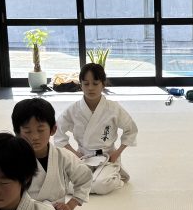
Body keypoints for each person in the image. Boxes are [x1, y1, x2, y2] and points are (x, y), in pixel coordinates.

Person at [54, 63, 138, 195]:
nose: (90, 88)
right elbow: (58, 133)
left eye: (95, 83)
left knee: (100, 185)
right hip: (83, 156)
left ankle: (115, 177)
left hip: (107, 157)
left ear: (103, 84)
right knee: (66, 184)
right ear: (80, 85)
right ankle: (95, 179)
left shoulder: (113, 108)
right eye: (86, 84)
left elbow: (131, 129)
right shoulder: (74, 110)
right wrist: (75, 154)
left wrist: (117, 153)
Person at [12, 97, 92, 210]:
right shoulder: (13, 159)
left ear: (53, 129)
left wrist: (71, 204)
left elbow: (84, 177)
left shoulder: (63, 156)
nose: (34, 137)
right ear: (18, 133)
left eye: (40, 130)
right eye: (27, 131)